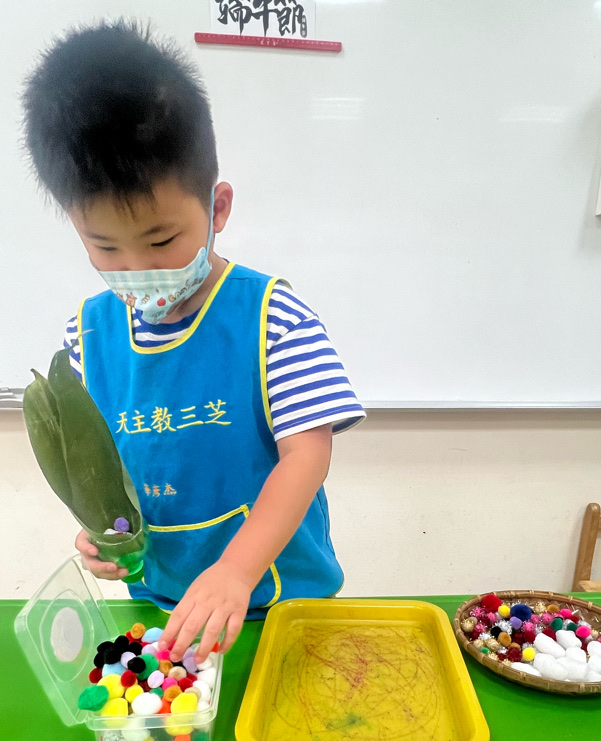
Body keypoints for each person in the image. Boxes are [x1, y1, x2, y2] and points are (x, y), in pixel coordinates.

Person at [22, 20, 364, 662]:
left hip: (281, 611)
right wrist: (102, 535)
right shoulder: (86, 336)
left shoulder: (272, 317)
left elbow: (307, 456)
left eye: (160, 240)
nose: (136, 269)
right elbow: (100, 470)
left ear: (217, 207)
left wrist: (236, 570)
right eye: (104, 247)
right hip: (163, 614)